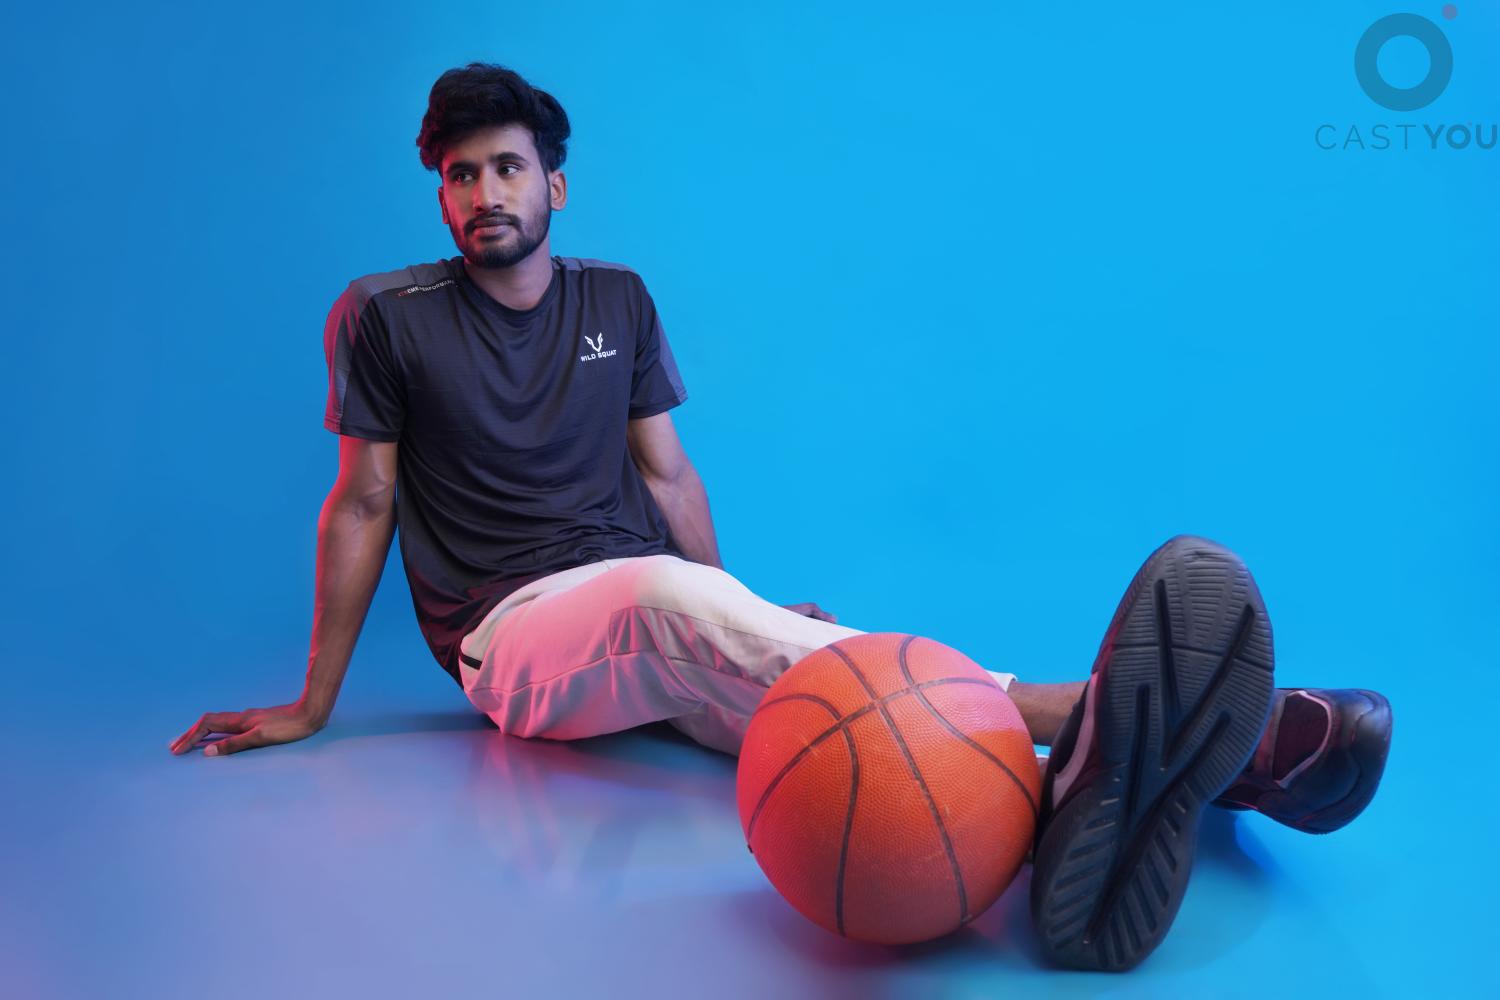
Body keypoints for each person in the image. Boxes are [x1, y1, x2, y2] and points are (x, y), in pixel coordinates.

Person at [168, 63, 1393, 971]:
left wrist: (737, 602)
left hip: (653, 613)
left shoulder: (617, 298)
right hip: (515, 639)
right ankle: (1103, 713)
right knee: (669, 598)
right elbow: (364, 500)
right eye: (460, 174)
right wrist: (313, 702)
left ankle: (1188, 784)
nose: (484, 192)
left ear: (555, 183)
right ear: (441, 194)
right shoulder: (385, 316)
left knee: (858, 737)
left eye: (506, 167)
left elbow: (669, 479)